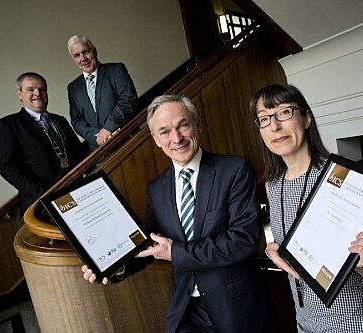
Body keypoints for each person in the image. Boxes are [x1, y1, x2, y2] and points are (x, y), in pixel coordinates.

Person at [83, 95, 272, 333]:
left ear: (197, 125)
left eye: (183, 125)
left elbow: (244, 240)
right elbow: (149, 244)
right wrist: (111, 264)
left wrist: (175, 252)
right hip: (186, 309)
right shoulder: (157, 189)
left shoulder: (234, 170)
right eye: (164, 131)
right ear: (155, 140)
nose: (176, 138)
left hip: (234, 308)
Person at [250, 83, 363, 332]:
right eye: (264, 118)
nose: (274, 126)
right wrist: (274, 250)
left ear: (306, 118)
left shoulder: (340, 179)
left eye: (284, 112)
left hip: (352, 323)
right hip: (304, 322)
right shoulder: (273, 186)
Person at [0, 72, 85, 214]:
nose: (37, 93)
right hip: (41, 202)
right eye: (30, 89)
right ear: (20, 94)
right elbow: (7, 167)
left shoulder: (59, 120)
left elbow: (79, 152)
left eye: (41, 89)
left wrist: (99, 137)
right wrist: (45, 192)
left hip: (76, 193)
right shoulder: (8, 125)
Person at [67, 34, 139, 152]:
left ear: (94, 51)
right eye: (77, 55)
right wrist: (97, 136)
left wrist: (108, 128)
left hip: (128, 142)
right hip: (100, 151)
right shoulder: (73, 88)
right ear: (74, 59)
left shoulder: (116, 70)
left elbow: (128, 99)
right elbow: (76, 121)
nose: (83, 58)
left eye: (85, 52)